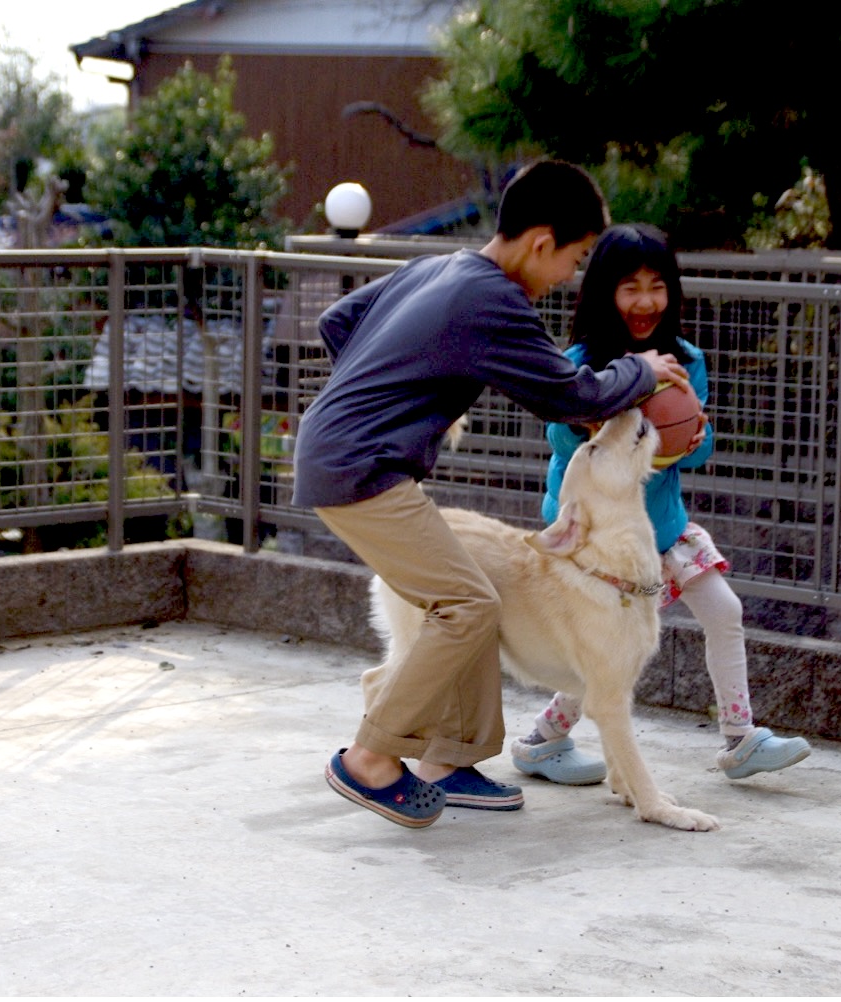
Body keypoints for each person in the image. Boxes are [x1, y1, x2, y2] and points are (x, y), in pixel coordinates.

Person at [293, 162, 691, 829]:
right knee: (467, 604)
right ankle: (368, 757)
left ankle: (451, 760)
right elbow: (567, 395)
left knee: (470, 587)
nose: (570, 275)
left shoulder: (440, 268)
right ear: (541, 243)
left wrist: (398, 393)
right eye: (575, 258)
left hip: (351, 456)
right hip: (359, 468)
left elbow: (339, 322)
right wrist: (640, 371)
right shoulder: (494, 300)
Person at [509, 223, 812, 786]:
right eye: (630, 287)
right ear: (604, 292)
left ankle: (741, 739)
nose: (645, 300)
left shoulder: (685, 359)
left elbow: (696, 443)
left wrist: (693, 442)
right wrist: (590, 422)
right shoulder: (579, 363)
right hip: (598, 540)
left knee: (725, 611)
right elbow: (560, 442)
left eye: (657, 285)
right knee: (608, 650)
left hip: (663, 529)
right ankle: (540, 742)